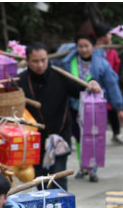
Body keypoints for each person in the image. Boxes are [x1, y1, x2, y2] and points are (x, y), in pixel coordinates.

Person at [17, 42, 103, 191]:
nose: (40, 65)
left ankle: (63, 206)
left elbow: (81, 88)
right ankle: (45, 206)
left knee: (58, 179)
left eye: (43, 60)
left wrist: (92, 83)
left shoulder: (60, 75)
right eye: (35, 61)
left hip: (60, 136)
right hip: (35, 140)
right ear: (27, 61)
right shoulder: (20, 81)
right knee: (41, 181)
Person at [61, 33, 123, 182]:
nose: (84, 49)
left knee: (94, 137)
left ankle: (93, 168)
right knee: (78, 137)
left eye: (87, 46)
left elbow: (112, 85)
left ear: (93, 47)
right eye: (80, 46)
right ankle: (83, 165)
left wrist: (119, 107)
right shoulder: (68, 62)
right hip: (75, 106)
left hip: (95, 108)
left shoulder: (102, 64)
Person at [94, 23, 123, 145]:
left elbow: (116, 66)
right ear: (102, 37)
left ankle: (116, 133)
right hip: (97, 87)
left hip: (109, 85)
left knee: (112, 109)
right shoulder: (93, 51)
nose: (111, 36)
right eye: (109, 34)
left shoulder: (111, 51)